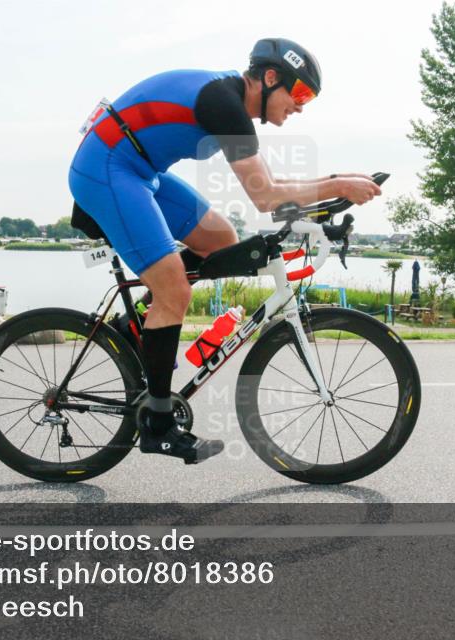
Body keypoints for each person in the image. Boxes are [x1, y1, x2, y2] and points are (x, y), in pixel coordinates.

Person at [68, 38, 381, 464]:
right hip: (108, 168)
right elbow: (268, 196)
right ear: (271, 79)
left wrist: (330, 199)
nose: (301, 107)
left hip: (141, 171)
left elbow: (270, 189)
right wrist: (337, 184)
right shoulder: (223, 101)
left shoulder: (230, 102)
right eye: (300, 93)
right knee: (175, 291)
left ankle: (136, 324)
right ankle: (158, 426)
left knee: (221, 241)